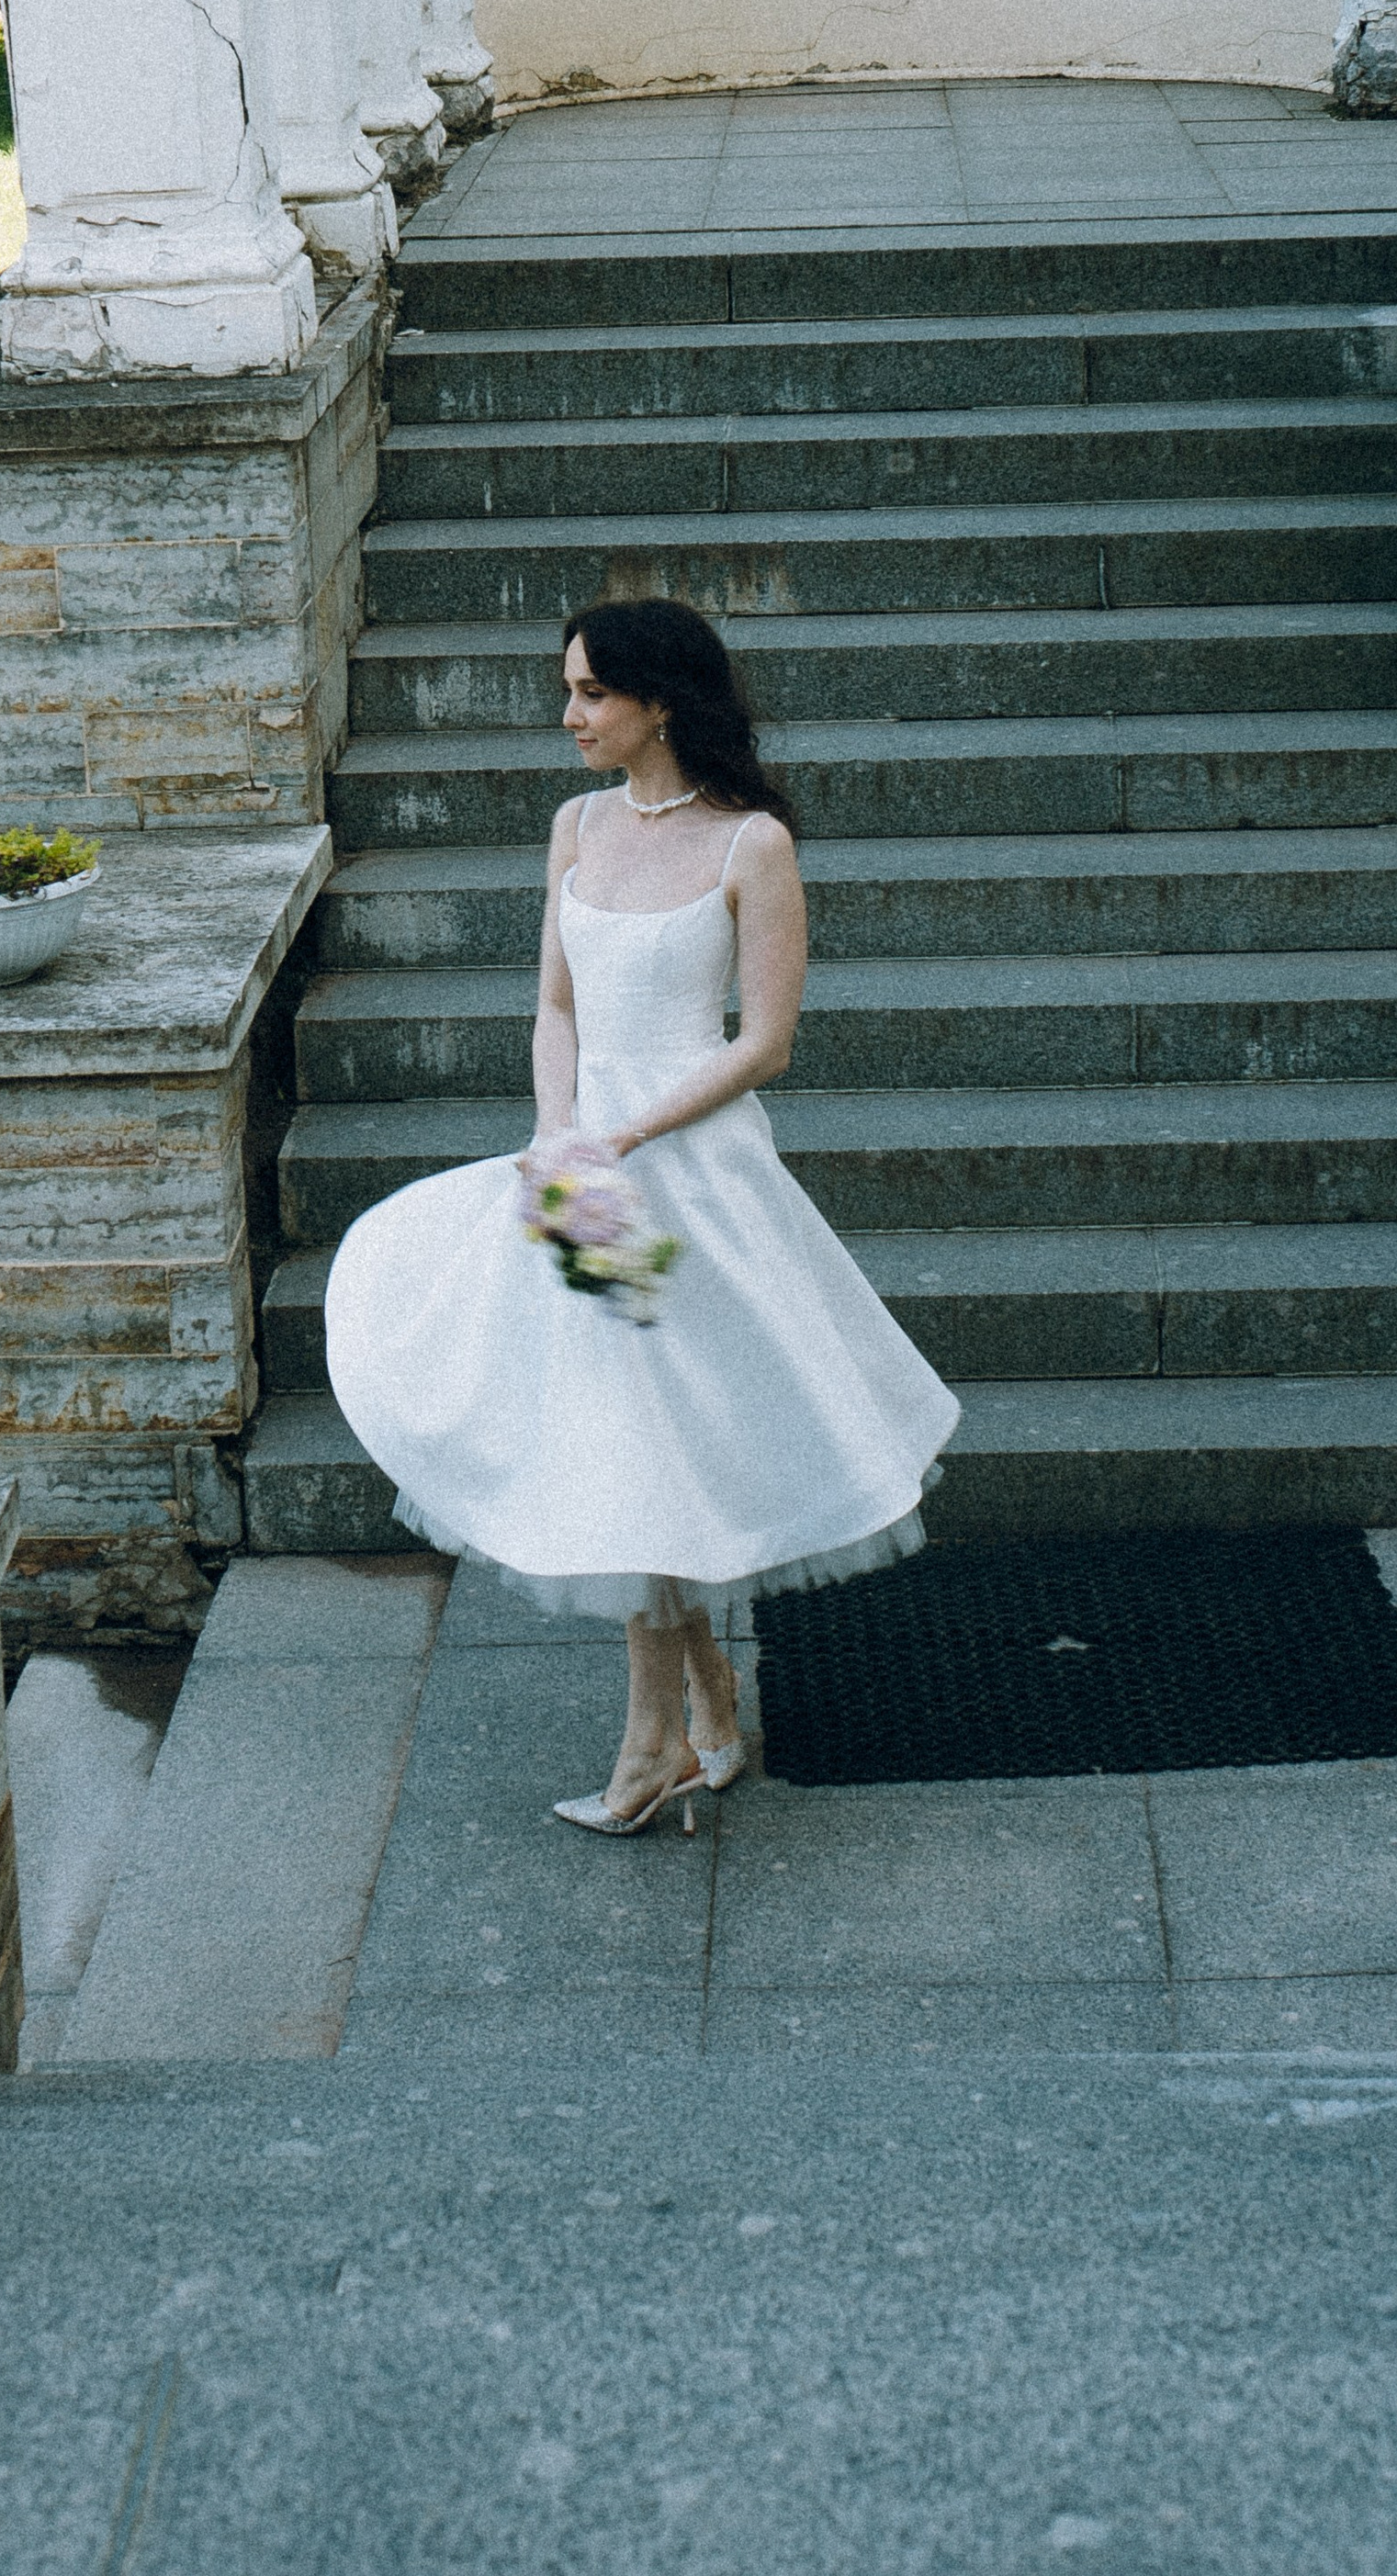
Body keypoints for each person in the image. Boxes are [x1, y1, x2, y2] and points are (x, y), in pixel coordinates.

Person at [324, 596, 958, 1835]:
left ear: (659, 701)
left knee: (652, 1446)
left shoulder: (751, 846)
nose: (569, 717)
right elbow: (555, 1008)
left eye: (592, 696)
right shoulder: (574, 827)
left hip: (699, 1180)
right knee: (625, 1440)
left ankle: (655, 1743)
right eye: (568, 691)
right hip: (586, 1175)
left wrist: (624, 1133)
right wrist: (565, 1136)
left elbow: (765, 1042)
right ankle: (695, 1716)